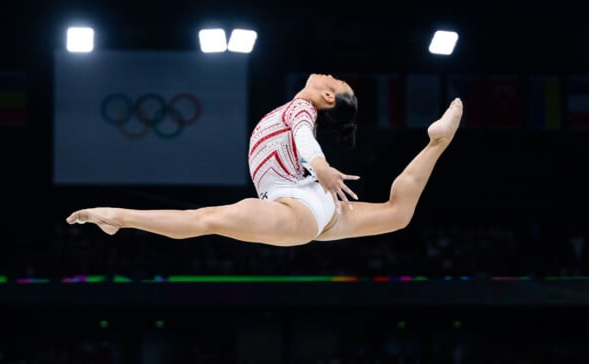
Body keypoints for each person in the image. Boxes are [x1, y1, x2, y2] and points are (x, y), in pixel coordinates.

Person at [66, 73, 463, 246]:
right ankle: (435, 144)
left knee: (205, 219)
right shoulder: (298, 110)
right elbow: (302, 140)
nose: (328, 75)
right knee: (398, 214)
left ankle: (117, 217)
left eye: (335, 82)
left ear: (328, 98)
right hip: (308, 203)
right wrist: (317, 172)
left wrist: (321, 166)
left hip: (300, 203)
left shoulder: (300, 109)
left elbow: (305, 138)